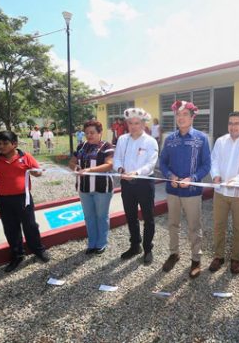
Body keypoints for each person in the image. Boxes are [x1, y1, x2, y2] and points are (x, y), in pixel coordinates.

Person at [159, 100, 211, 278]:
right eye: (178, 115)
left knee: (194, 227)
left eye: (185, 115)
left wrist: (193, 179)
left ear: (192, 117)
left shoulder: (201, 139)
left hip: (192, 191)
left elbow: (206, 165)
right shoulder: (170, 139)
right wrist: (170, 176)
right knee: (173, 224)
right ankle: (174, 253)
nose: (181, 118)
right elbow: (163, 163)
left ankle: (196, 259)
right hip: (172, 190)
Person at [0, 131, 50, 272]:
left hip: (23, 199)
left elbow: (37, 172)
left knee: (30, 225)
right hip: (4, 200)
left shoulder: (25, 157)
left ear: (14, 144)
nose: (1, 146)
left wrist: (36, 172)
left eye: (5, 143)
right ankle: (17, 255)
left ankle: (38, 250)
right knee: (11, 229)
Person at [208, 111, 239, 274]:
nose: (233, 126)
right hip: (221, 193)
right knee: (218, 226)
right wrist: (215, 175)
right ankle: (219, 256)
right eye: (230, 123)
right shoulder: (221, 141)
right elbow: (213, 160)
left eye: (237, 123)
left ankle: (235, 259)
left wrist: (237, 179)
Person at [113, 108, 160, 264]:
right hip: (127, 183)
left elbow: (151, 164)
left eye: (137, 123)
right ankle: (135, 245)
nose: (133, 126)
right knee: (130, 216)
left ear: (143, 124)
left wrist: (136, 172)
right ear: (127, 124)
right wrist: (120, 169)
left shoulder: (150, 141)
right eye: (130, 123)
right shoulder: (122, 139)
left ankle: (148, 248)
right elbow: (117, 159)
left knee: (148, 217)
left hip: (144, 183)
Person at [70, 121, 116, 255]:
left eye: (92, 133)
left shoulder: (107, 146)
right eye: (87, 133)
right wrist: (76, 167)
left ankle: (101, 243)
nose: (89, 136)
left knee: (101, 216)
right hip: (84, 188)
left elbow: (109, 165)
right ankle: (92, 243)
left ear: (100, 133)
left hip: (102, 188)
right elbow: (72, 162)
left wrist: (90, 169)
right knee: (89, 217)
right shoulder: (81, 146)